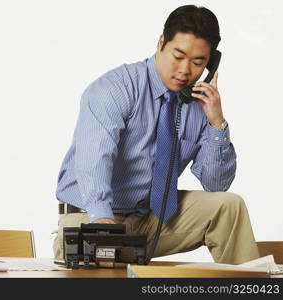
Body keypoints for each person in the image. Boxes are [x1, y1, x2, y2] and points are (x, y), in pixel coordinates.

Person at [53, 5, 259, 264]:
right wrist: (102, 222)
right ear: (161, 42)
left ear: (210, 63)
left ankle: (252, 288)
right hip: (91, 216)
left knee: (228, 207)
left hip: (151, 219)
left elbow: (215, 184)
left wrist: (217, 124)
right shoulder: (117, 88)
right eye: (178, 56)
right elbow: (94, 159)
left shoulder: (200, 105)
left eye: (198, 62)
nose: (186, 70)